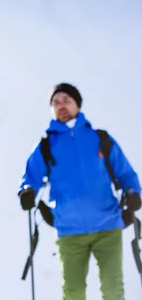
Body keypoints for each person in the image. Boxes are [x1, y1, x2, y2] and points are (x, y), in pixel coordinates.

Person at [18, 83, 141, 300]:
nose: (61, 105)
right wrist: (27, 191)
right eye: (55, 102)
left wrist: (133, 193)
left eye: (66, 100)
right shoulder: (46, 145)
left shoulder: (100, 139)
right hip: (69, 228)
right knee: (73, 293)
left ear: (78, 104)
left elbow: (125, 174)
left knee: (113, 291)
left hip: (108, 225)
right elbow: (31, 177)